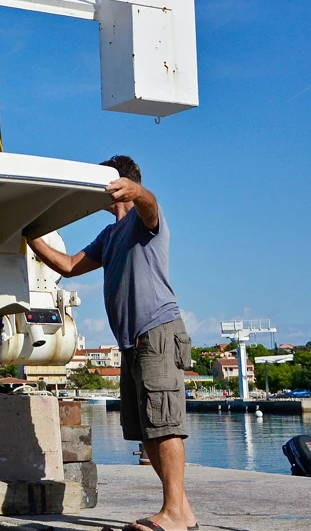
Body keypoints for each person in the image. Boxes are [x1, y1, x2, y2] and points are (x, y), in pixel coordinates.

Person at [28, 155, 196, 531]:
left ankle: (172, 516)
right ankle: (182, 511)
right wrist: (30, 236)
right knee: (147, 434)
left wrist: (138, 192)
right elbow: (69, 266)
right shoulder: (109, 236)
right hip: (131, 342)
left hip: (158, 331)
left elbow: (151, 206)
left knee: (165, 426)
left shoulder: (143, 220)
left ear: (119, 183)